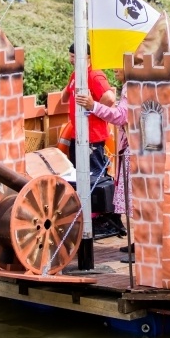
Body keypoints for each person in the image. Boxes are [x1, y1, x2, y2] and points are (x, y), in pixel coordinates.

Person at [75, 68, 131, 240]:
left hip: (109, 141)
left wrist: (93, 106)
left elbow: (121, 116)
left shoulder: (131, 86)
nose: (115, 69)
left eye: (119, 64)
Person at [63, 42, 116, 178]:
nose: (71, 60)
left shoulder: (94, 75)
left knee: (94, 177)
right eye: (70, 56)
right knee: (78, 175)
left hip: (92, 136)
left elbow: (110, 98)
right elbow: (65, 96)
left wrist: (93, 108)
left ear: (86, 57)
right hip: (78, 134)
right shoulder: (77, 74)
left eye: (74, 57)